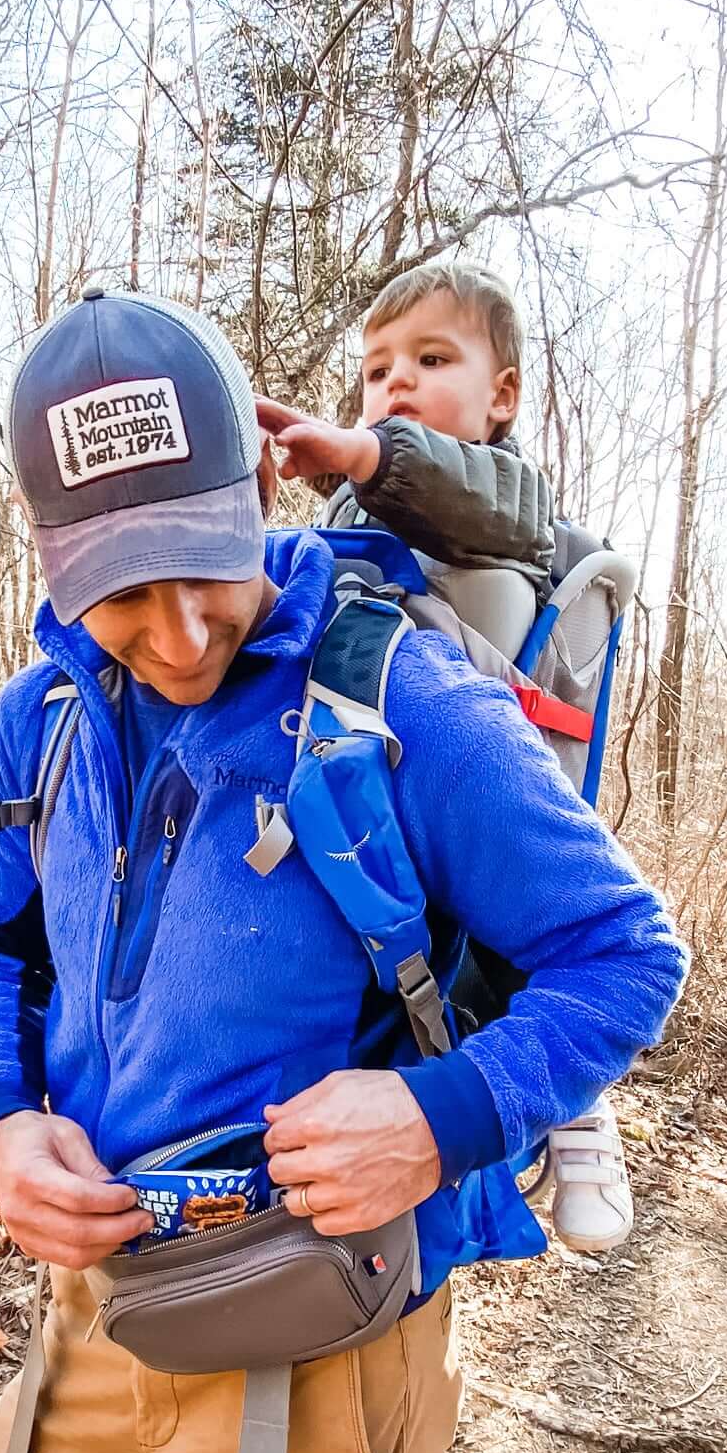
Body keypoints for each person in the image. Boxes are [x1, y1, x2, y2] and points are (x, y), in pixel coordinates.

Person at [0, 287, 686, 1453]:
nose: (181, 632)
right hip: (96, 1314)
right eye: (124, 592)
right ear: (53, 560)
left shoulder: (399, 691)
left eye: (202, 568)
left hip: (320, 1342)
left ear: (259, 495)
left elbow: (625, 953)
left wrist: (441, 1115)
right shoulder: (42, 716)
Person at [256, 260, 639, 1256]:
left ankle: (577, 1100)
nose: (398, 384)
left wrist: (367, 452)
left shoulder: (510, 501)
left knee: (528, 947)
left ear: (501, 393)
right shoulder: (348, 517)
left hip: (483, 782)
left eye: (432, 358)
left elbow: (445, 485)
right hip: (369, 780)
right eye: (377, 368)